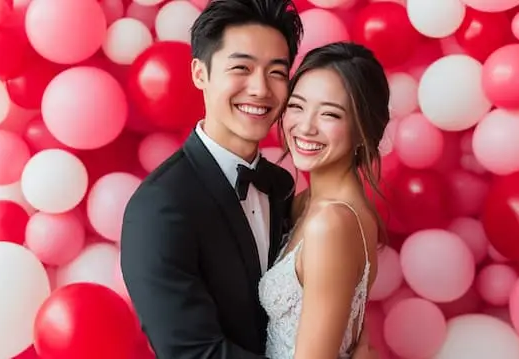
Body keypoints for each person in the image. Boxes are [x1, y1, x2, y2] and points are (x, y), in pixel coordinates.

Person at [120, 0, 379, 358]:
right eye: (241, 67)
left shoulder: (281, 187)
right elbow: (193, 353)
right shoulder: (160, 208)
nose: (260, 89)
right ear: (200, 74)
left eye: (276, 72)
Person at [258, 42, 391, 359]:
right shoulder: (306, 203)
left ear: (363, 130)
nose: (305, 127)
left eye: (330, 114)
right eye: (297, 105)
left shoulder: (331, 224)